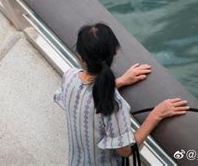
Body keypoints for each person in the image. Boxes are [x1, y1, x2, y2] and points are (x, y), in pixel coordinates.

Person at [54, 23, 189, 165]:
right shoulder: (113, 105)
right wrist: (157, 114)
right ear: (115, 52)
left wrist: (120, 81)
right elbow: (125, 151)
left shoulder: (69, 77)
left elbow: (85, 94)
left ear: (81, 57)